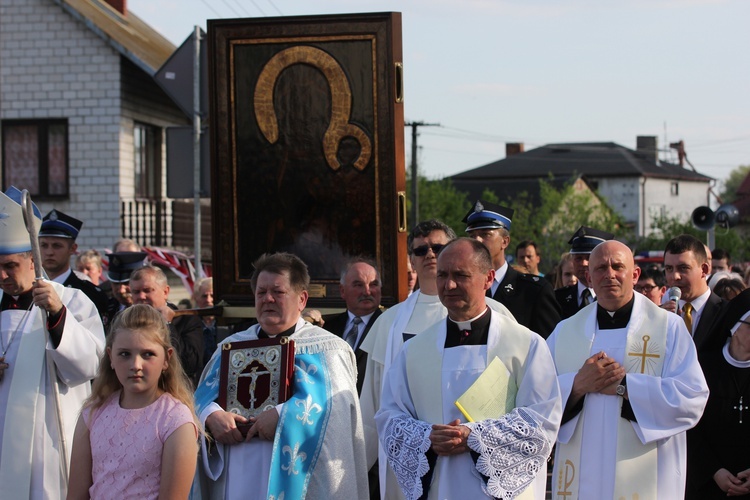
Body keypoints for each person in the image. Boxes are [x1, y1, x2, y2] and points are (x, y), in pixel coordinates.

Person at [375, 238, 561, 499]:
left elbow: (543, 420)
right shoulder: (414, 350)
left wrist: (475, 437)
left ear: (488, 279)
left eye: (460, 275)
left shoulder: (525, 345)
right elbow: (389, 416)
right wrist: (426, 437)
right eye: (442, 275)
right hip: (439, 488)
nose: (449, 285)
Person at [359, 219, 515, 499]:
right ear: (412, 260)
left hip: (484, 458)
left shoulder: (498, 314)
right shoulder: (390, 322)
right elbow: (372, 403)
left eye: (438, 247)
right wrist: (358, 469)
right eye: (421, 250)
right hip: (413, 458)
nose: (430, 254)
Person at [193, 252, 367, 499]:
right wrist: (211, 415)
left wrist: (283, 415)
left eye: (278, 292)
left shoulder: (327, 349)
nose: (268, 299)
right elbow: (198, 398)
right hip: (236, 473)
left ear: (302, 299)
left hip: (295, 476)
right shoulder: (230, 347)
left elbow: (336, 409)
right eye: (261, 292)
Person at [546, 240, 708, 499]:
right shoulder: (565, 331)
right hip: (581, 478)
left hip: (646, 474)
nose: (609, 274)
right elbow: (538, 397)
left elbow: (692, 397)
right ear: (588, 277)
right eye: (600, 268)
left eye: (618, 266)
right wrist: (576, 386)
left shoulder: (668, 328)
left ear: (635, 275)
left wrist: (625, 386)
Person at [0, 186, 105, 499]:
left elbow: (91, 365)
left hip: (47, 439)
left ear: (33, 260)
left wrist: (58, 314)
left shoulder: (73, 301)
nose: (2, 275)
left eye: (10, 266)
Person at [67, 305, 199, 499]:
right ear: (111, 357)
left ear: (166, 358)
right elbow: (76, 495)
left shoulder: (175, 420)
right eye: (125, 354)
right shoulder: (93, 413)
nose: (135, 365)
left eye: (147, 354)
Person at [464, 200, 561, 337]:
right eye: (472, 236)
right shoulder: (465, 287)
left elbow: (550, 343)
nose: (477, 241)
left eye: (485, 234)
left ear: (505, 241)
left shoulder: (534, 290)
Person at [687, 289, 750, 498]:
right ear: (735, 326)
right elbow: (689, 425)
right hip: (708, 484)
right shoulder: (702, 366)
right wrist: (713, 471)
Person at [129, 266, 203, 385]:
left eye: (147, 290)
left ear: (165, 292)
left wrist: (167, 325)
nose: (141, 297)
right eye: (136, 292)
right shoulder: (124, 322)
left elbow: (189, 365)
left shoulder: (187, 321)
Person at [322, 258, 383, 394]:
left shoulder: (388, 327)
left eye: (373, 284)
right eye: (358, 285)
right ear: (342, 291)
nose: (367, 292)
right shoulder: (327, 328)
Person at [39, 210, 110, 323]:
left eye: (57, 246)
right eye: (44, 245)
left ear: (72, 249)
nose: (49, 252)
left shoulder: (90, 294)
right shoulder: (29, 289)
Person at [663, 234, 725, 353]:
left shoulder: (726, 314)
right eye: (669, 269)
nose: (675, 276)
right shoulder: (658, 316)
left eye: (683, 268)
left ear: (704, 270)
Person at [555, 225, 615, 319]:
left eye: (588, 257)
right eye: (578, 258)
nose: (583, 263)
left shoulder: (613, 296)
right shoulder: (558, 298)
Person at [193, 277, 218, 371]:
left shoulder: (230, 325)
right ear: (197, 299)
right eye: (204, 296)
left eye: (212, 295)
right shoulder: (190, 326)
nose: (208, 300)